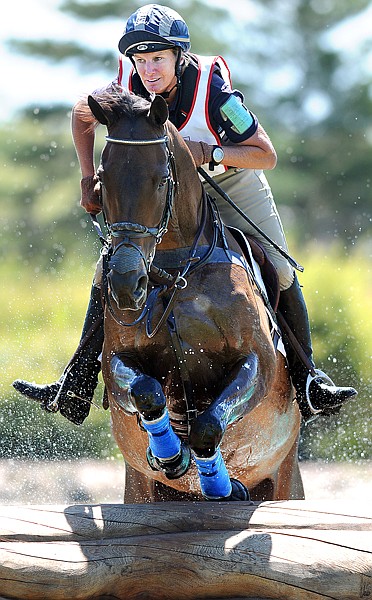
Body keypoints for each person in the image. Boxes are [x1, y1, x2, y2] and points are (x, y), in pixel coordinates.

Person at [13, 4, 356, 425]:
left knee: (280, 268)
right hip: (166, 190)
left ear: (179, 55)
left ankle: (309, 381)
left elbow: (266, 155)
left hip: (229, 180)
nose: (149, 70)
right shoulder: (126, 86)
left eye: (158, 58)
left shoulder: (213, 91)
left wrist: (208, 151)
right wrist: (88, 177)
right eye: (140, 60)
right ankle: (78, 381)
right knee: (109, 268)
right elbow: (82, 113)